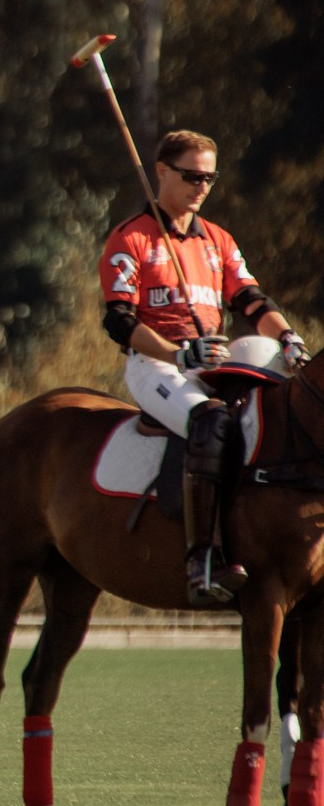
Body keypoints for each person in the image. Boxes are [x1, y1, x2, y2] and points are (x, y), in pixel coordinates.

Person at [98, 129, 307, 605]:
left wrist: (288, 337)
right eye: (192, 176)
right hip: (158, 366)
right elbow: (118, 320)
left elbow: (250, 300)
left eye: (210, 178)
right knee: (211, 423)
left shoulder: (216, 240)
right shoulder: (130, 238)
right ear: (162, 172)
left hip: (215, 362)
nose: (202, 187)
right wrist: (175, 354)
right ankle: (204, 557)